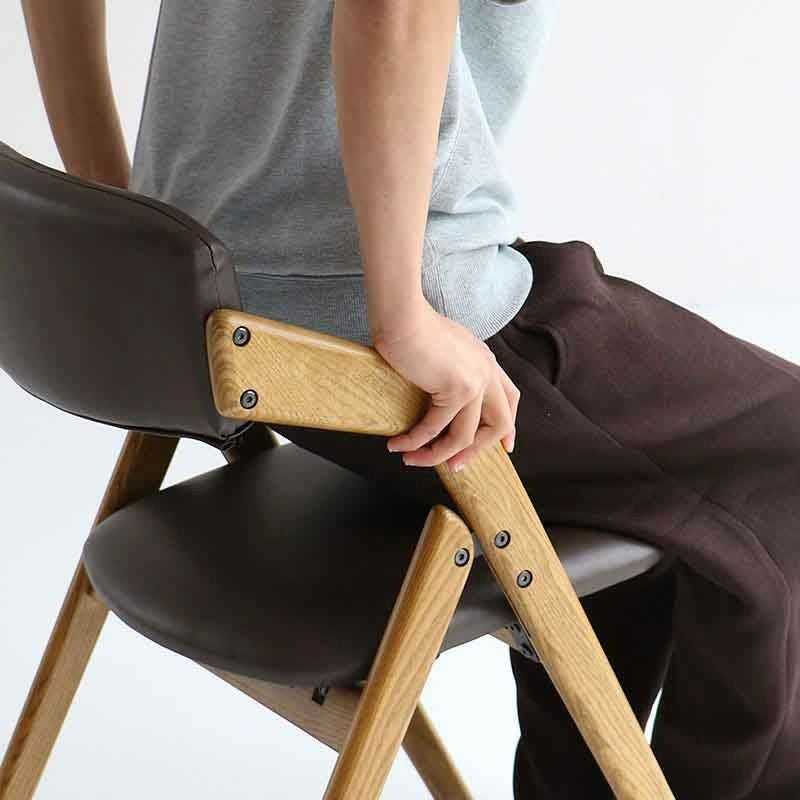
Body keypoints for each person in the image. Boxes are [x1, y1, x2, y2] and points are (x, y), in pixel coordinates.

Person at [21, 0, 800, 797]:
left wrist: (123, 225)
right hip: (383, 340)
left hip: (215, 306)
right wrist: (405, 315)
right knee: (783, 455)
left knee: (645, 491)